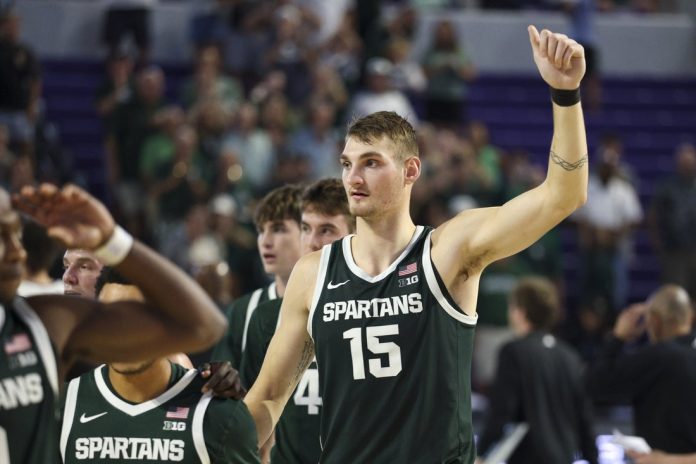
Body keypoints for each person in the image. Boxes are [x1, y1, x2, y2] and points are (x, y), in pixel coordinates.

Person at [244, 25, 588, 462]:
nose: (353, 177)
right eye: (347, 163)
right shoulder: (313, 273)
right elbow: (268, 398)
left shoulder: (447, 250)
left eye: (371, 163)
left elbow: (563, 195)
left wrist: (565, 94)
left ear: (410, 171)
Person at [0, 183, 226, 463]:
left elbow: (204, 326)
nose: (18, 253)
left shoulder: (46, 323)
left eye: (84, 266)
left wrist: (113, 240)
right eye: (1, 236)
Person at [61, 269, 259, 463]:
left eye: (139, 319)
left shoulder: (218, 414)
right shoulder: (63, 406)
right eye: (111, 318)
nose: (123, 333)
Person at [241, 178, 355, 464]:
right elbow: (258, 408)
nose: (312, 242)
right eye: (305, 228)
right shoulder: (266, 317)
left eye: (326, 230)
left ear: (356, 235)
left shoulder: (386, 307)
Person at [476, 277, 598, 463]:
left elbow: (502, 411)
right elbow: (583, 418)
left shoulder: (513, 352)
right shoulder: (569, 356)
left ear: (520, 312)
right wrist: (593, 458)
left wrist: (481, 452)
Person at [586, 285, 696, 453]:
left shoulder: (658, 356)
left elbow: (596, 384)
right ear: (690, 316)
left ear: (654, 321)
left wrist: (617, 337)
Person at [211, 184, 303, 369]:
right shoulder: (242, 310)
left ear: (308, 232)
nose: (265, 241)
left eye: (278, 229)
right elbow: (219, 382)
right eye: (261, 230)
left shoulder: (339, 306)